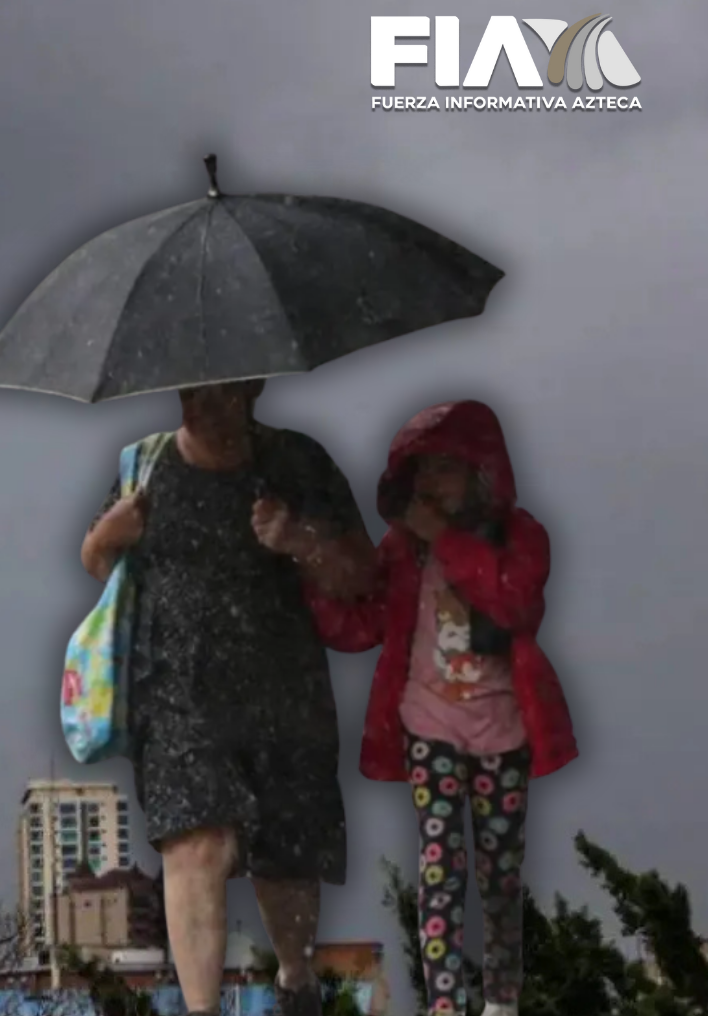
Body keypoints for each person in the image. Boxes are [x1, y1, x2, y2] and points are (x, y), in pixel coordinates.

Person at [81, 379, 376, 1016]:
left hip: (284, 693)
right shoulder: (147, 465)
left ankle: (296, 980)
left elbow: (360, 573)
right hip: (177, 696)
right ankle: (201, 1009)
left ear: (252, 389)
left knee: (285, 853)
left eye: (217, 395)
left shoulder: (298, 462)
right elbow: (100, 564)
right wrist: (109, 535)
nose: (200, 407)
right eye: (190, 393)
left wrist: (298, 538)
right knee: (195, 843)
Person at [309, 400, 577, 1016]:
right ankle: (445, 1004)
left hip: (503, 728)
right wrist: (309, 580)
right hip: (427, 724)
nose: (432, 485)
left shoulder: (522, 537)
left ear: (481, 472)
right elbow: (364, 621)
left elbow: (514, 607)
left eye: (447, 469)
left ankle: (503, 1001)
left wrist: (447, 541)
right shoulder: (404, 551)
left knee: (500, 874)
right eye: (423, 471)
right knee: (439, 865)